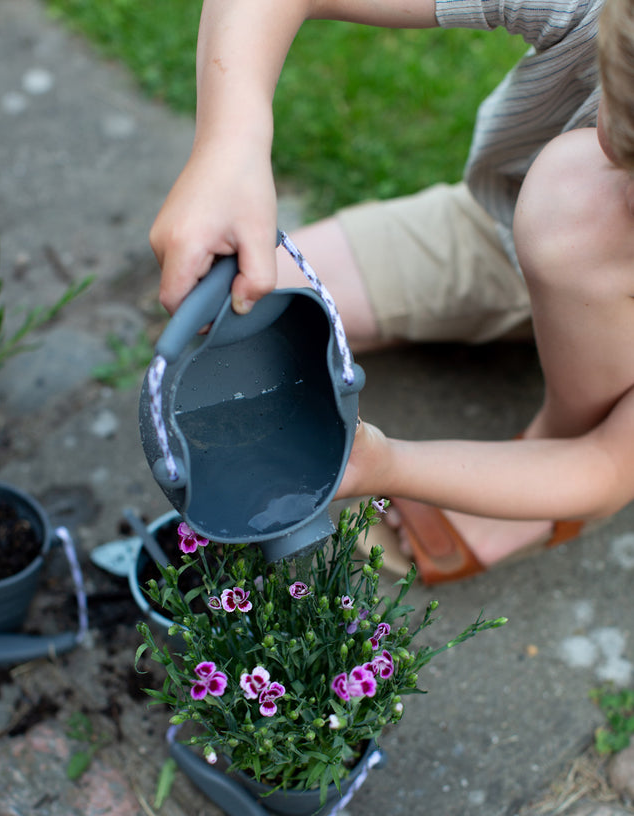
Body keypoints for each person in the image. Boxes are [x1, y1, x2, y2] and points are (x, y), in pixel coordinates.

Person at [149, 0, 634, 584]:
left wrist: (391, 464)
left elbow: (605, 463)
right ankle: (555, 269)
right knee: (244, 305)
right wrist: (229, 149)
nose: (611, 147)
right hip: (506, 226)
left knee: (586, 203)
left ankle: (554, 444)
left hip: (572, 231)